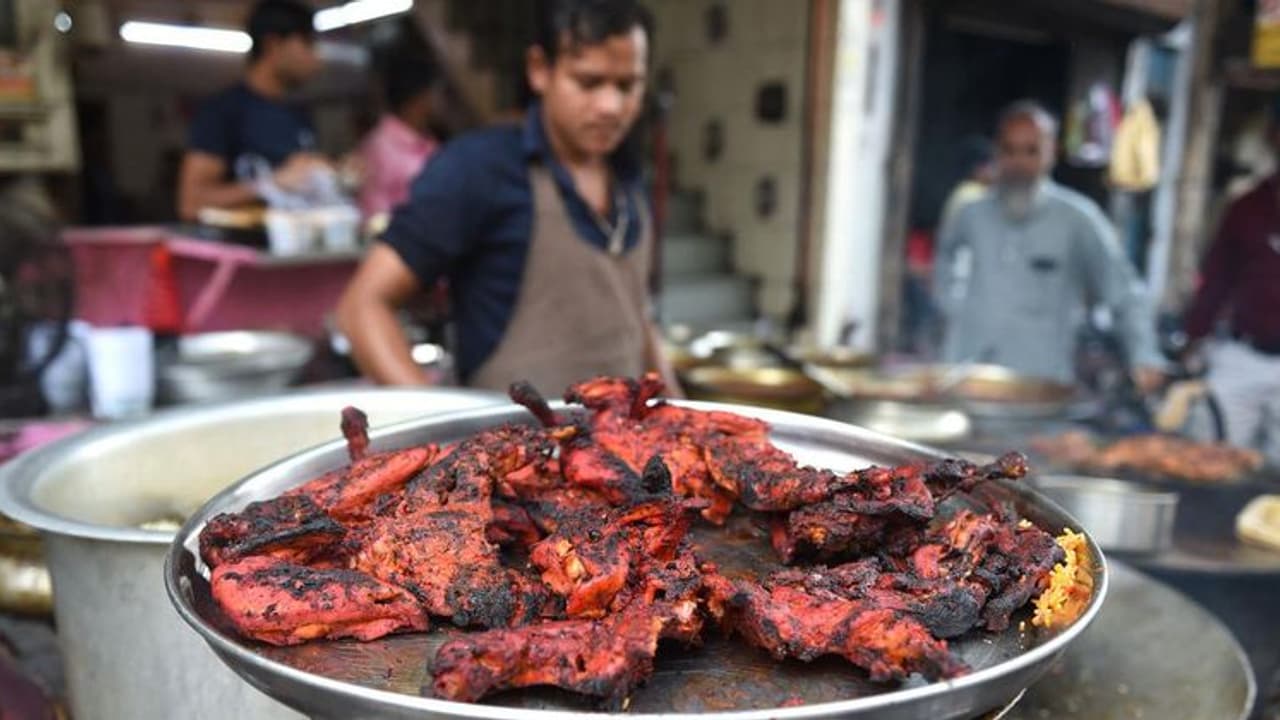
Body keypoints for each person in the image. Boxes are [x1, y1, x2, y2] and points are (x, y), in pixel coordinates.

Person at [336, 0, 678, 395]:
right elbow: (362, 307)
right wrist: (447, 432)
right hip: (518, 451)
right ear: (539, 70)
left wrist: (682, 413)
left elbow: (637, 316)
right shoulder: (478, 170)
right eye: (588, 82)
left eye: (627, 85)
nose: (611, 107)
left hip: (631, 449)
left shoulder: (629, 180)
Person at [932, 100, 1165, 388]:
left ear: (1051, 153)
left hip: (1041, 391)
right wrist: (953, 309)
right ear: (997, 152)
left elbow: (1124, 291)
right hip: (967, 385)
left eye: (1031, 151)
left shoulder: (1078, 219)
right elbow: (945, 264)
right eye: (1009, 150)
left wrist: (1144, 354)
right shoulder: (970, 215)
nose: (1019, 162)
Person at [1183, 103, 1280, 457]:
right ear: (1273, 136)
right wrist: (1194, 336)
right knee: (1210, 463)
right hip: (1244, 355)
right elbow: (1217, 277)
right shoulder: (1247, 207)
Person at [177, 0, 325, 221]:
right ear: (273, 45)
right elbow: (191, 203)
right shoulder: (223, 112)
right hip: (243, 252)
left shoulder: (300, 115)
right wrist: (270, 184)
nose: (315, 59)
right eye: (307, 44)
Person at [356, 54, 443, 221]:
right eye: (437, 92)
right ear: (420, 98)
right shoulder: (379, 147)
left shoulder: (427, 141)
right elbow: (375, 216)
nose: (442, 100)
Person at [940, 136, 995, 228]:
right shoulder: (972, 194)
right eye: (991, 165)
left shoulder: (966, 190)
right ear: (978, 169)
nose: (995, 170)